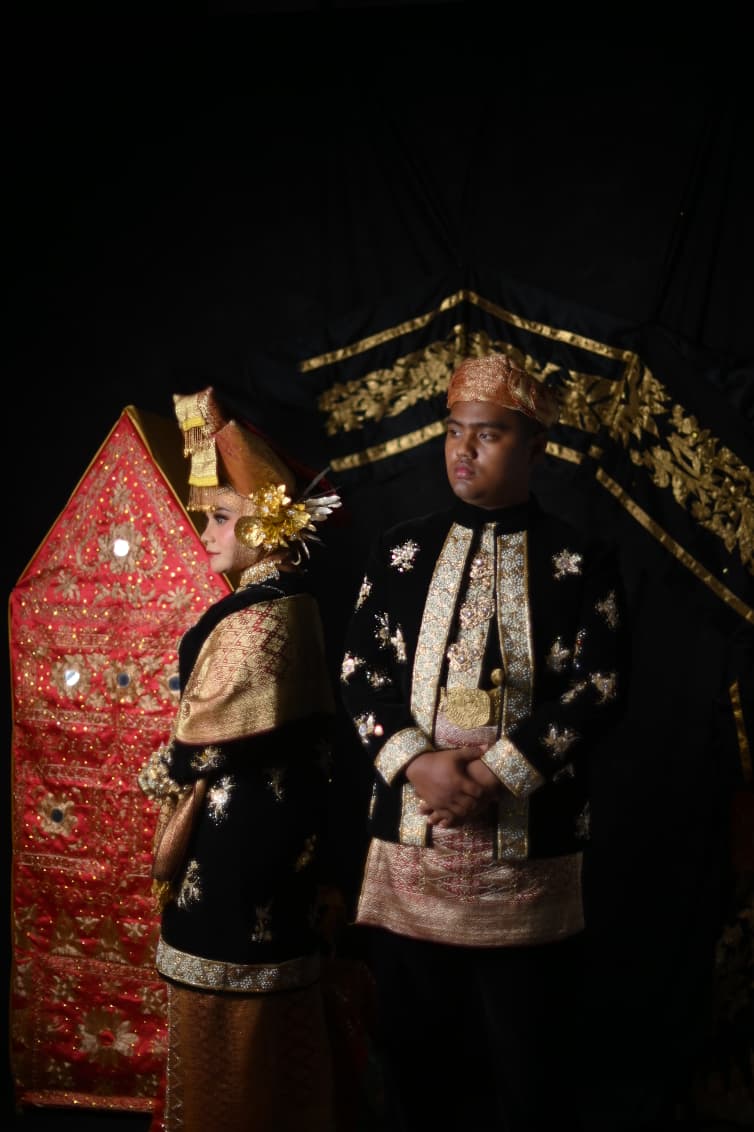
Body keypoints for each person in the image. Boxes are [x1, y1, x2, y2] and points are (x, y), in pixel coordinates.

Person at [339, 353, 631, 1132]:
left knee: (528, 1068)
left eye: (489, 435)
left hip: (529, 848)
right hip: (411, 844)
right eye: (453, 432)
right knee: (416, 1064)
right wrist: (418, 765)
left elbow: (600, 686)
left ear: (535, 448)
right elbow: (360, 673)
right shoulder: (398, 551)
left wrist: (499, 772)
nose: (463, 451)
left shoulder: (580, 560)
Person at [138, 385, 341, 1132]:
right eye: (207, 517)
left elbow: (210, 731)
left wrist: (168, 769)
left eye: (221, 517)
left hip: (250, 843)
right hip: (248, 836)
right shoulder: (268, 601)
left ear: (266, 521)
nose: (206, 533)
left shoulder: (273, 611)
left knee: (241, 1010)